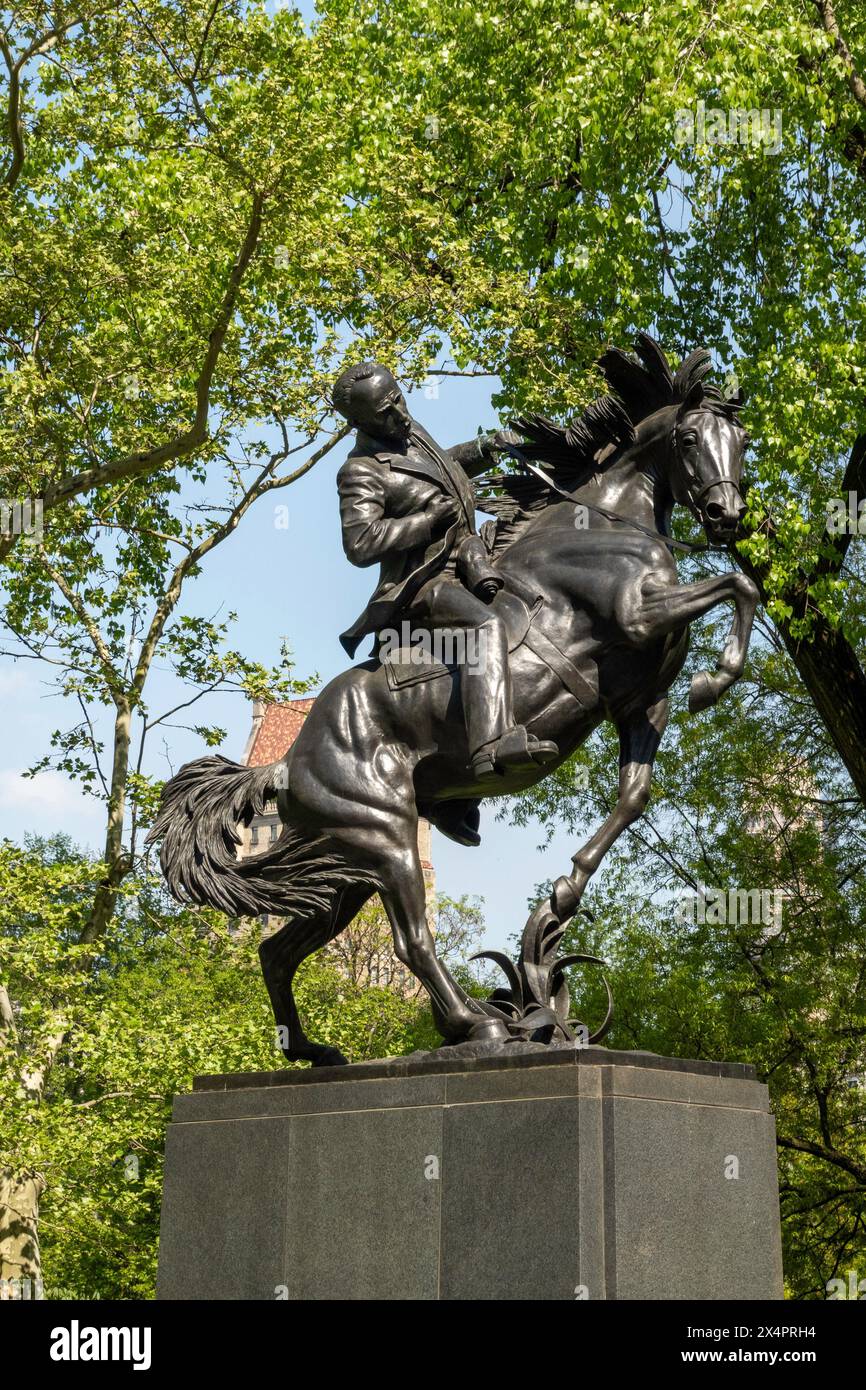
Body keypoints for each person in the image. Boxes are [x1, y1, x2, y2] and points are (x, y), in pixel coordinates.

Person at [333, 361, 558, 779]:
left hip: (469, 560)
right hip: (424, 583)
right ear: (358, 421)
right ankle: (491, 745)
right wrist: (426, 523)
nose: (400, 413)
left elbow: (444, 470)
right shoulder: (359, 470)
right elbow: (360, 543)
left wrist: (485, 449)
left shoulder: (409, 429)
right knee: (486, 627)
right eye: (386, 410)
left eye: (399, 398)